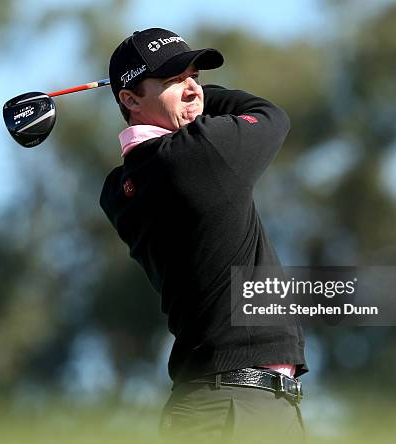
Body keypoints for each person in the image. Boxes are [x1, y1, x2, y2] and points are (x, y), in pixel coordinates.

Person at [100, 28, 307, 442]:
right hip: (235, 407)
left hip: (229, 403)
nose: (193, 89)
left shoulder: (119, 186)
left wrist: (180, 89)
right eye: (175, 80)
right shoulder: (200, 154)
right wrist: (206, 93)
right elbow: (269, 115)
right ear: (129, 99)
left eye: (195, 76)